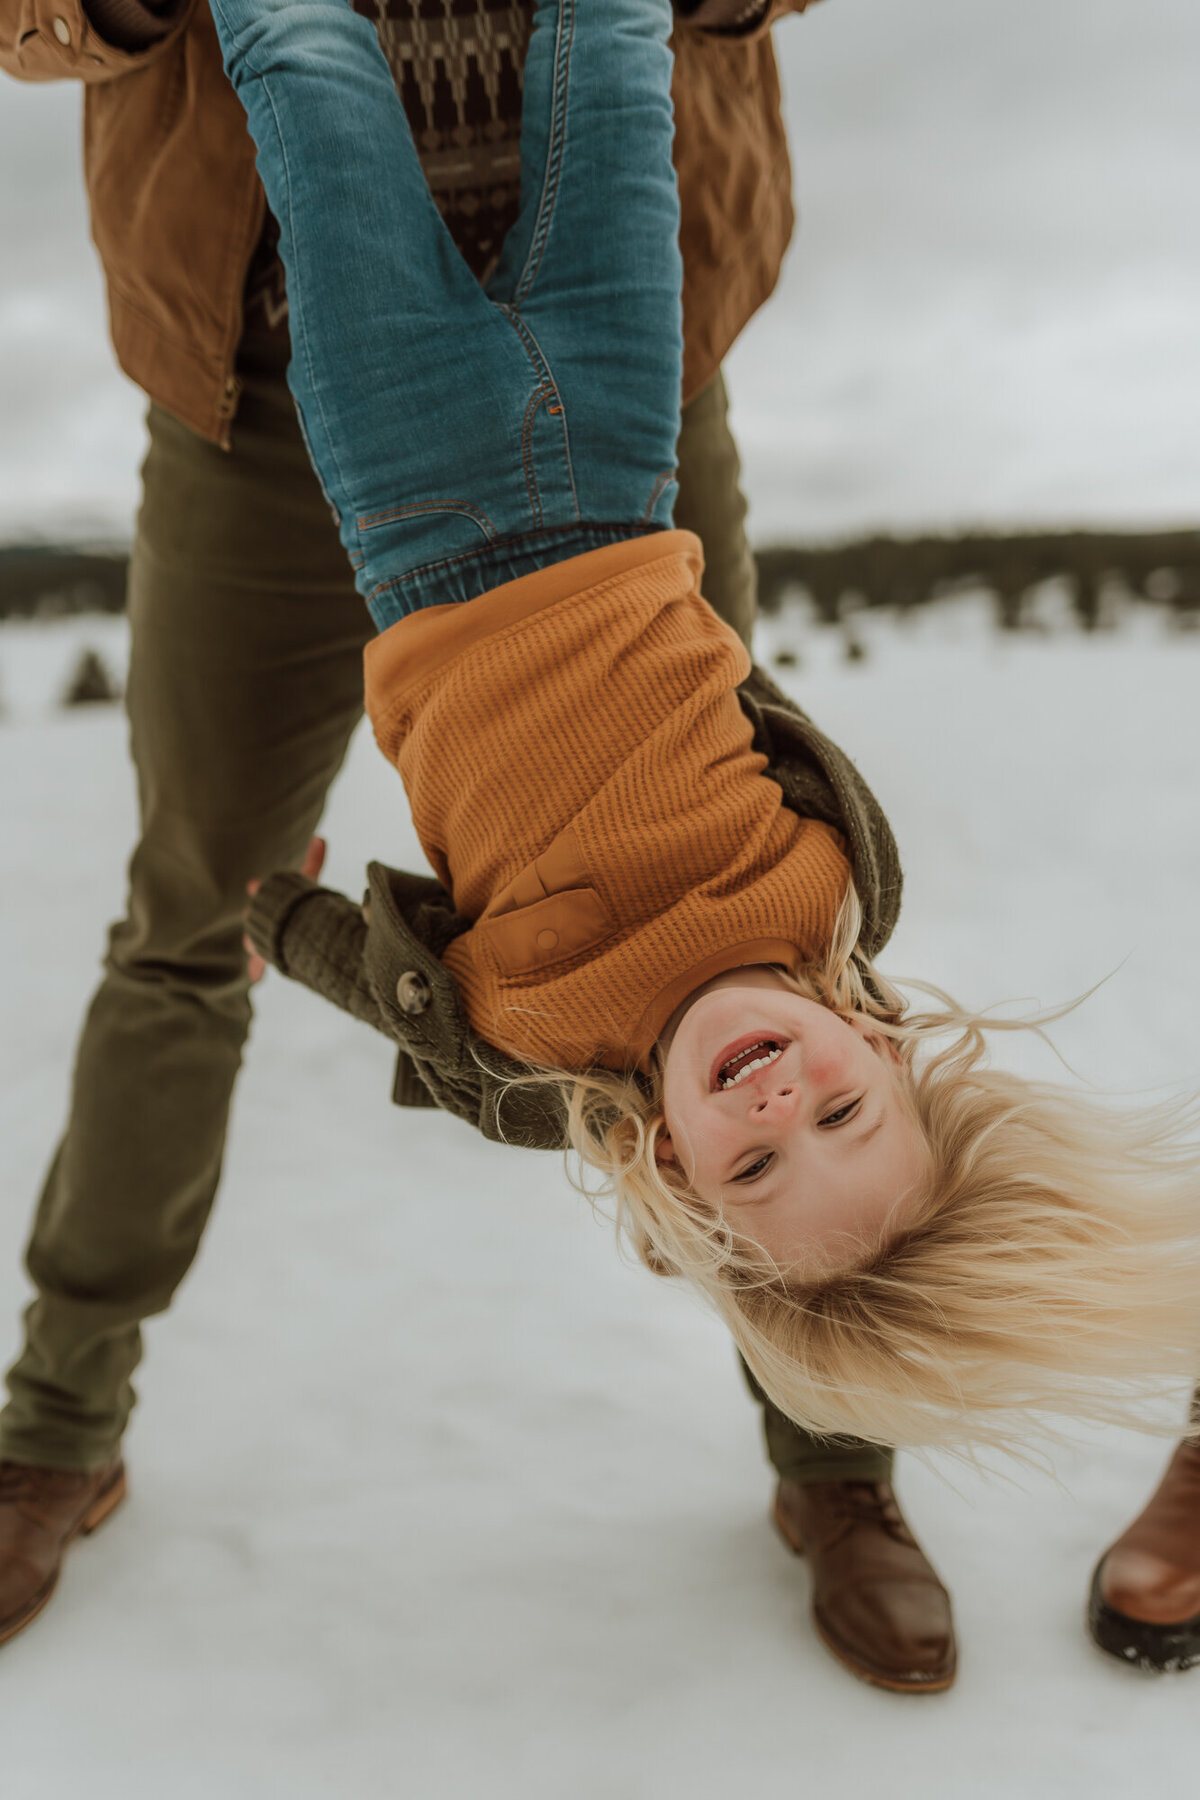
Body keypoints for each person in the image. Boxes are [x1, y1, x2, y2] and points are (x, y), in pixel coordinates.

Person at [214, 0, 1200, 1675]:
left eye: (755, 1159)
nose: (774, 1101)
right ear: (881, 1040)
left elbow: (388, 984)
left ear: (672, 1168)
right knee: (605, 48)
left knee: (309, 80)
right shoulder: (836, 889)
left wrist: (280, 918)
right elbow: (740, 699)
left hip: (414, 492)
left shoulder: (533, 1047)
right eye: (840, 1109)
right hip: (615, 449)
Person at [0, 0, 957, 1688]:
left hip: (634, 381)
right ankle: (59, 1419)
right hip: (270, 387)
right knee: (185, 918)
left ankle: (836, 1456)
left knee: (785, 975)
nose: (769, 1112)